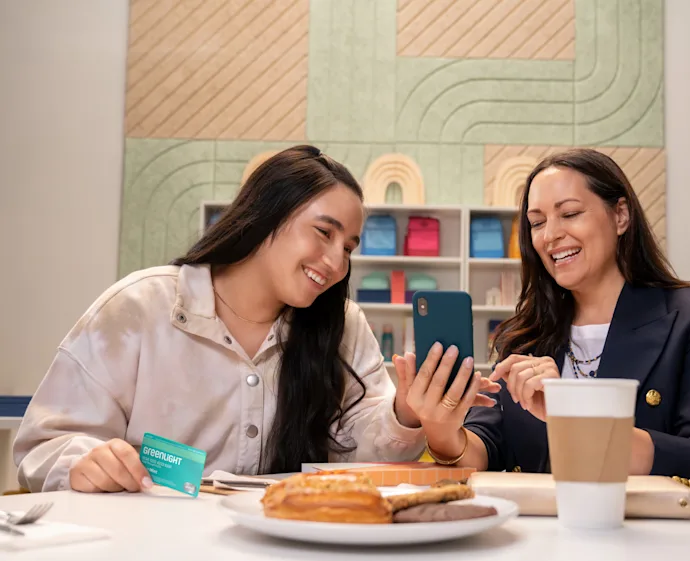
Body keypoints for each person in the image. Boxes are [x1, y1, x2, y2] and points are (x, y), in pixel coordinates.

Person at [14, 145, 425, 493]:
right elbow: (42, 446)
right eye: (323, 232)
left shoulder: (344, 325)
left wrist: (404, 414)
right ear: (268, 215)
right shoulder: (139, 306)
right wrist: (84, 462)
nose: (337, 263)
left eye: (349, 248)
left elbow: (361, 454)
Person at [396, 149, 690, 499]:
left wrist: (571, 415)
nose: (550, 234)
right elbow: (487, 447)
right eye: (537, 222)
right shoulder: (523, 337)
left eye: (569, 214)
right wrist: (441, 428)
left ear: (620, 216)